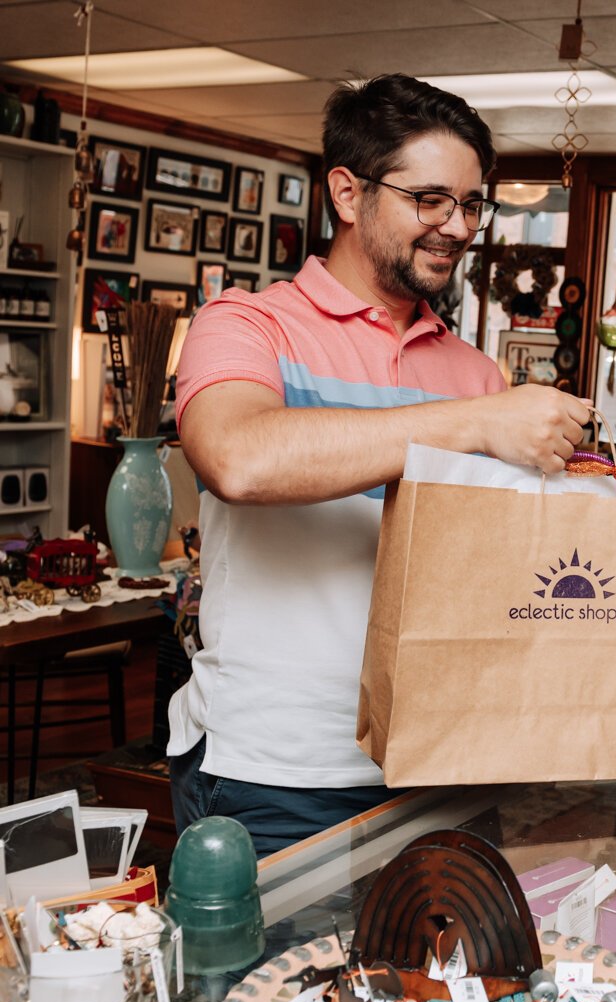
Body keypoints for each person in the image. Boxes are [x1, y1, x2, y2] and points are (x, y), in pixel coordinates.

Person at [170, 74, 592, 855]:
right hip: (275, 775)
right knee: (273, 984)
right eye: (429, 199)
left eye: (471, 204)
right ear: (347, 191)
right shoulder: (245, 325)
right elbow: (239, 459)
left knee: (447, 985)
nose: (457, 226)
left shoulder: (474, 372)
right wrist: (477, 423)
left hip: (444, 766)